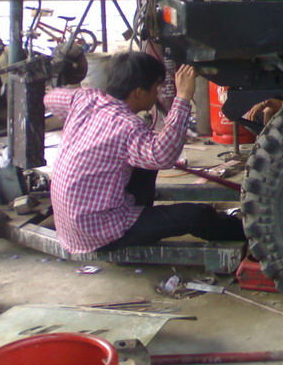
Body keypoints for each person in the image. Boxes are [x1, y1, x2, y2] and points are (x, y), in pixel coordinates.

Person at [44, 51, 245, 254]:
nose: (157, 95)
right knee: (198, 215)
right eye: (155, 89)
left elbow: (49, 98)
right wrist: (183, 98)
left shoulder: (85, 98)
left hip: (71, 224)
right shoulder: (127, 126)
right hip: (100, 232)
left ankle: (142, 214)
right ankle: (250, 233)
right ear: (139, 92)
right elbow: (164, 157)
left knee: (147, 157)